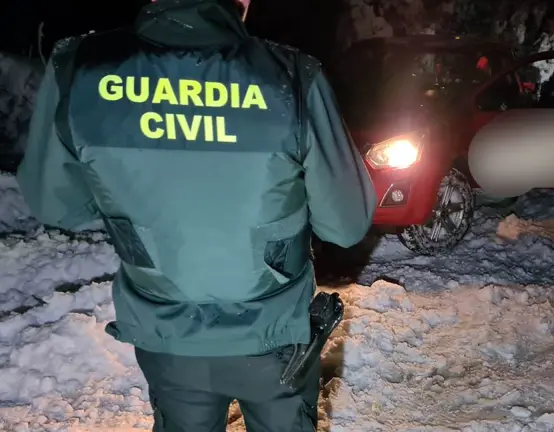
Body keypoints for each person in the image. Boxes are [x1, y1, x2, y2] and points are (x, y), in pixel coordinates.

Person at [15, 0, 377, 430]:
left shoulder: (78, 68)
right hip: (272, 338)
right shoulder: (290, 76)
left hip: (167, 336)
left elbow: (58, 205)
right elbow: (346, 223)